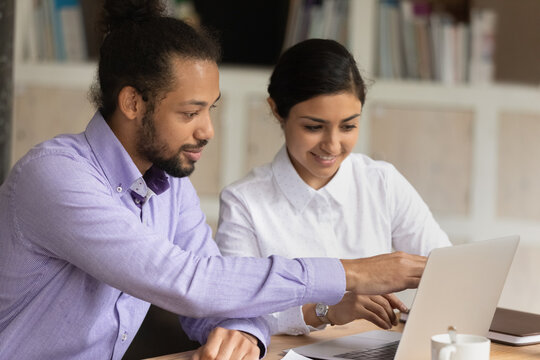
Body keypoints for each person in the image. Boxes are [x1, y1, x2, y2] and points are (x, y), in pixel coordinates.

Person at [0, 2, 427, 360]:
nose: (207, 130)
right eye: (190, 113)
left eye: (211, 110)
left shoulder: (170, 186)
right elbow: (188, 281)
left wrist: (243, 330)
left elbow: (218, 287)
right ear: (132, 102)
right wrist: (350, 274)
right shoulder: (56, 176)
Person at [215, 38, 452, 336]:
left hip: (374, 349)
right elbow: (236, 309)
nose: (332, 145)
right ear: (277, 111)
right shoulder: (244, 201)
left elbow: (449, 270)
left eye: (348, 126)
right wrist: (325, 310)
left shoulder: (382, 182)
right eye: (313, 127)